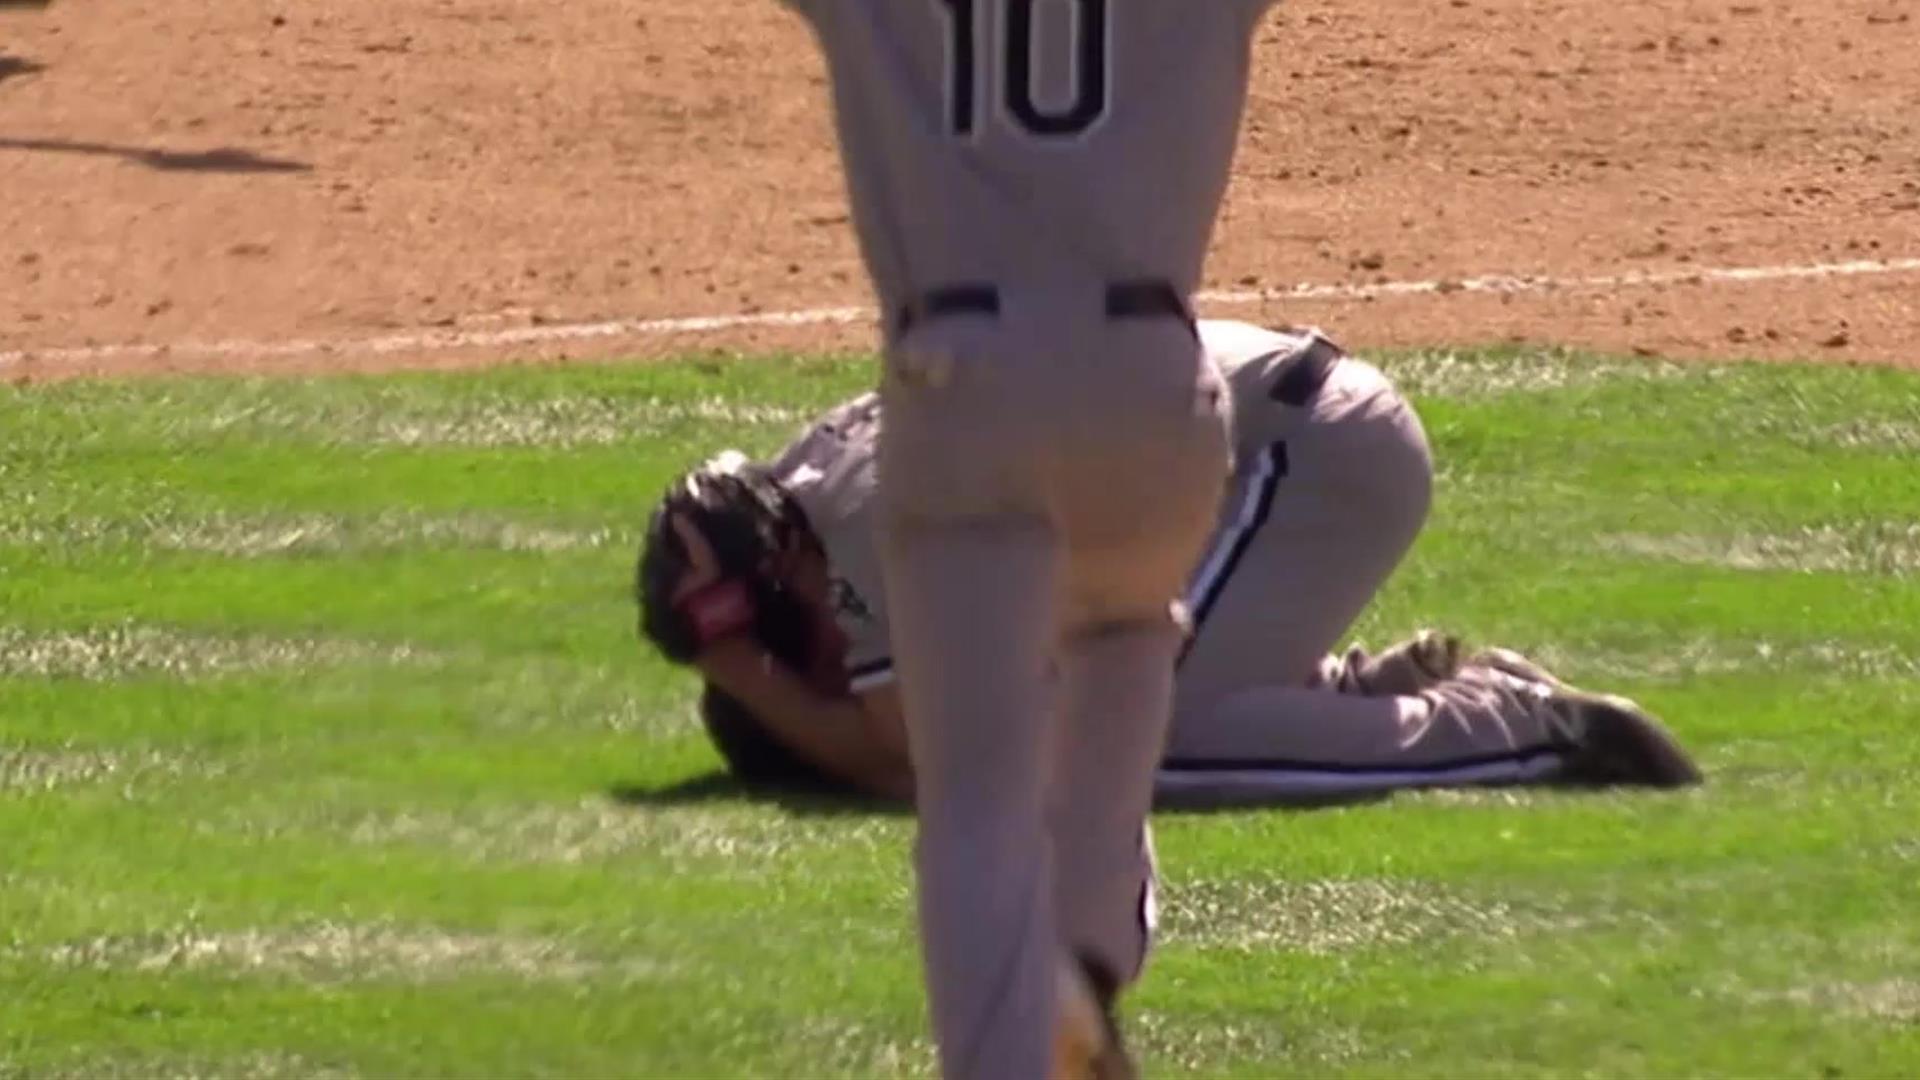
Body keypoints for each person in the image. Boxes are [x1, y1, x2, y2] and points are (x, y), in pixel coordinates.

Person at [634, 318, 1704, 945]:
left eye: (786, 641)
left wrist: (740, 669)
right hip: (1271, 431)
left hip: (1305, 454)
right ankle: (1348, 695)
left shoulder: (858, 523)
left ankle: (1518, 727)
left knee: (1142, 739)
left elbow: (910, 761)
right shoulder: (809, 481)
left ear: (787, 582)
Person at [738, 1, 1287, 1075]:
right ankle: (1089, 953)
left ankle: (1013, 1046)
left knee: (979, 794)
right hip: (1152, 378)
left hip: (964, 377)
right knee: (1125, 637)